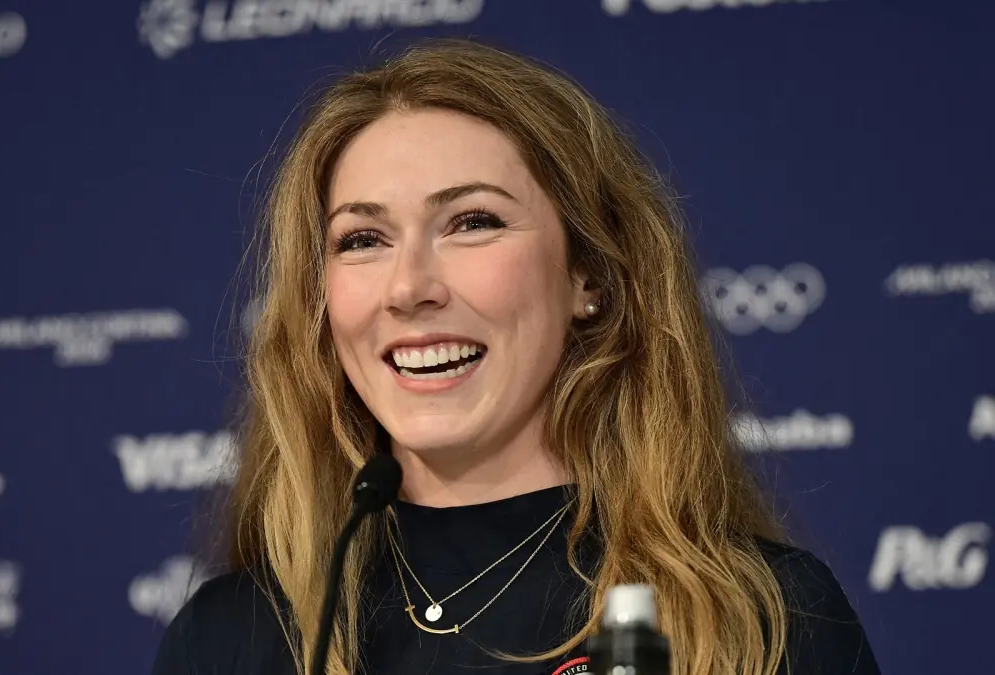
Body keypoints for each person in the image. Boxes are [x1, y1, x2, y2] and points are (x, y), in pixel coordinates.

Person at [152, 39, 881, 675]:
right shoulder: (231, 639)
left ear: (589, 276)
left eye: (472, 222)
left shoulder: (763, 617)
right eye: (363, 239)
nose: (408, 288)